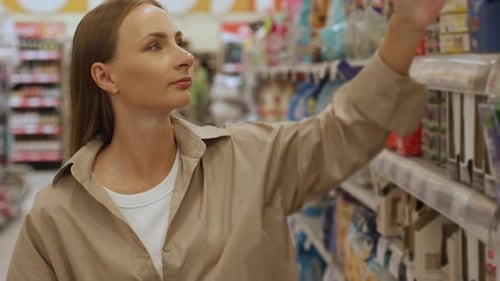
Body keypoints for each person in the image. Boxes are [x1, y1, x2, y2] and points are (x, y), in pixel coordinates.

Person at [7, 0, 445, 280]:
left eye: (179, 41)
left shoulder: (252, 158)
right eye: (155, 47)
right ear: (105, 76)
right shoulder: (56, 216)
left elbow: (346, 130)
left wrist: (406, 26)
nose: (185, 57)